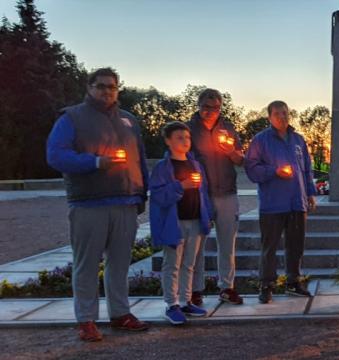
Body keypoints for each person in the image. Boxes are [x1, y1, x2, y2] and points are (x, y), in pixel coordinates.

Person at [46, 67, 149, 341]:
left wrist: (141, 194)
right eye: (101, 86)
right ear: (89, 87)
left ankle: (120, 313)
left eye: (112, 87)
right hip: (89, 202)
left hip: (125, 201)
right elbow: (56, 155)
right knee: (87, 264)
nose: (107, 91)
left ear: (118, 89)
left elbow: (139, 158)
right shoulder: (72, 117)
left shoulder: (128, 120)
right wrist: (94, 162)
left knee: (120, 264)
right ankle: (87, 319)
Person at [245, 100, 317, 304]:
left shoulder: (297, 140)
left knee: (296, 246)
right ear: (269, 117)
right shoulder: (260, 140)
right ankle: (266, 285)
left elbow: (306, 169)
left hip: (297, 202)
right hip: (273, 203)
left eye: (285, 113)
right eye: (277, 114)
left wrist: (310, 193)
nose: (282, 117)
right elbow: (251, 168)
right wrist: (274, 171)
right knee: (270, 247)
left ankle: (293, 282)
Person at [149, 121, 213, 324]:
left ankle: (186, 301)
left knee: (189, 264)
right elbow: (158, 195)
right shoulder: (162, 168)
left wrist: (207, 216)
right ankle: (171, 304)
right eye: (179, 137)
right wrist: (181, 186)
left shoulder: (195, 165)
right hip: (174, 222)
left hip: (195, 220)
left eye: (187, 137)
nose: (185, 141)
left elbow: (204, 193)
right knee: (172, 264)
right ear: (168, 141)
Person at [186, 88, 245, 306]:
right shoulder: (189, 129)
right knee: (196, 245)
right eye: (206, 107)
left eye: (216, 107)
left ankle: (227, 287)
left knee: (227, 244)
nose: (211, 111)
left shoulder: (228, 128)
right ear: (199, 105)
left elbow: (241, 160)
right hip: (200, 195)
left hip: (227, 192)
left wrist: (230, 151)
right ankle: (194, 289)